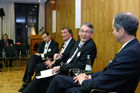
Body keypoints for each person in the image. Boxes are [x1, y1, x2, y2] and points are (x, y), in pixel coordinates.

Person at [46, 12, 140, 93]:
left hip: (102, 89)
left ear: (121, 31)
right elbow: (108, 72)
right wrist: (89, 76)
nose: (113, 32)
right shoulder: (130, 48)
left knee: (64, 86)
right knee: (58, 80)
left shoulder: (131, 52)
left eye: (113, 29)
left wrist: (84, 81)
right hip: (98, 82)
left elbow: (107, 80)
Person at [22, 22, 97, 93]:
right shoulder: (79, 41)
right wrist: (60, 55)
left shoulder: (90, 46)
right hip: (64, 67)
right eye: (82, 31)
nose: (84, 34)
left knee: (42, 79)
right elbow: (70, 54)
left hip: (72, 73)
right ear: (78, 32)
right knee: (39, 76)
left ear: (92, 34)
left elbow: (80, 65)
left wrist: (60, 67)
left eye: (87, 32)